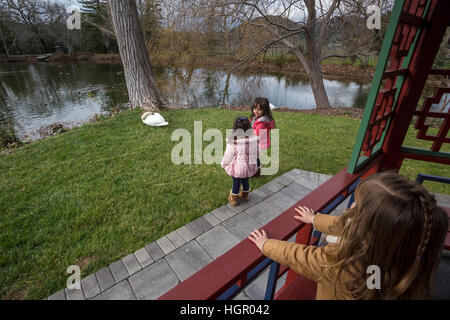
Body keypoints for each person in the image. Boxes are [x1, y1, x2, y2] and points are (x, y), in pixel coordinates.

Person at [248, 171, 448, 299]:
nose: (351, 205)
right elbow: (346, 226)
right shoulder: (401, 252)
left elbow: (303, 256)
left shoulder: (346, 267)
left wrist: (266, 245)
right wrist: (315, 219)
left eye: (357, 205)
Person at [221, 116, 259, 206]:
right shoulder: (253, 141)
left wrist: (224, 164)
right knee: (245, 181)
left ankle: (234, 199)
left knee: (236, 182)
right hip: (248, 167)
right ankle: (245, 196)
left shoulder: (233, 143)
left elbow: (228, 156)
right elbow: (258, 153)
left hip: (237, 168)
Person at [249, 97, 275, 177]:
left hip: (258, 143)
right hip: (255, 142)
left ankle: (256, 172)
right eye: (254, 108)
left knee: (253, 157)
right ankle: (255, 170)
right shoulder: (256, 118)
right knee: (254, 157)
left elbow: (257, 135)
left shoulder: (262, 123)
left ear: (264, 110)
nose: (256, 111)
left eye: (259, 110)